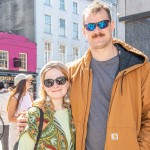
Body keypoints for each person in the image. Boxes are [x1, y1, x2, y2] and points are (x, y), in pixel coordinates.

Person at [17, 1, 150, 150]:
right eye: (91, 26)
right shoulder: (72, 71)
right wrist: (29, 117)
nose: (97, 30)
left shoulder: (139, 67)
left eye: (103, 24)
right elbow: (52, 98)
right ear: (84, 31)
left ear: (112, 25)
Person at [18, 61, 75, 149]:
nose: (55, 86)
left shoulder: (75, 111)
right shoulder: (34, 114)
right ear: (44, 86)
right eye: (49, 82)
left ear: (68, 83)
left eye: (60, 80)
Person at [7, 74, 34, 150]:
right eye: (27, 80)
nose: (30, 82)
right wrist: (24, 117)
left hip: (28, 129)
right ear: (22, 83)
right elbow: (10, 118)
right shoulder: (14, 98)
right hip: (16, 131)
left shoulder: (29, 95)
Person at [0, 81, 11, 150]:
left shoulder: (0, 96)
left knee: (5, 144)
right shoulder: (10, 94)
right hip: (12, 121)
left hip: (3, 123)